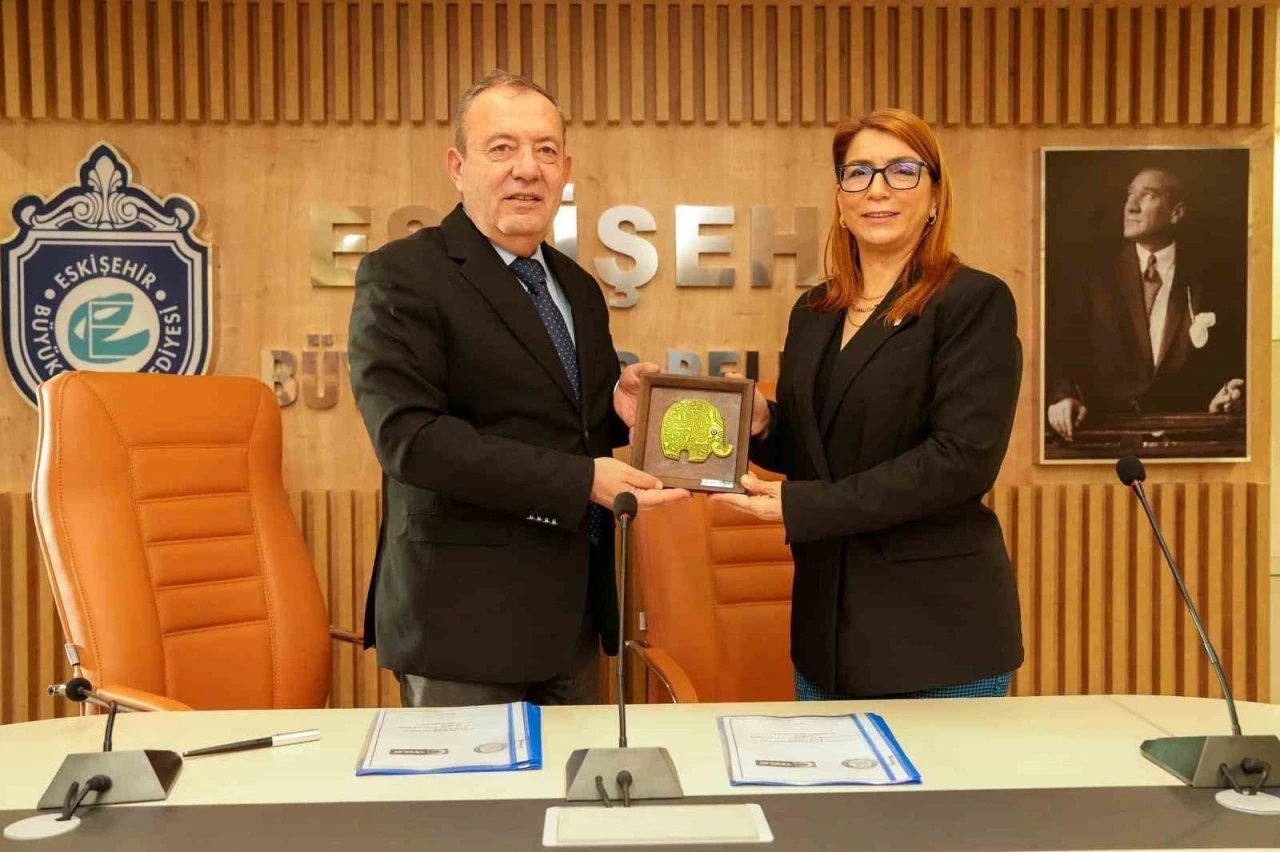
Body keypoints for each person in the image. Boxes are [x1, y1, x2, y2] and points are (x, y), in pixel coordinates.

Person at [348, 70, 686, 708]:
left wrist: (618, 413)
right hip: (460, 626)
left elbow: (560, 424)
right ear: (458, 166)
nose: (527, 168)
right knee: (471, 784)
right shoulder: (404, 274)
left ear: (565, 171)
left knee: (578, 779)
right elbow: (410, 440)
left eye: (545, 150)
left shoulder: (576, 287)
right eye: (501, 148)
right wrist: (581, 480)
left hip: (572, 621)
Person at [712, 108, 1023, 699]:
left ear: (935, 197)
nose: (877, 189)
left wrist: (806, 506)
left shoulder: (972, 301)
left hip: (938, 637)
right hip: (825, 635)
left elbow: (960, 461)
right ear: (840, 200)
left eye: (902, 170)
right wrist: (764, 426)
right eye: (858, 173)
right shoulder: (814, 310)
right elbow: (818, 447)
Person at [1046, 166, 1245, 443]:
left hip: (1188, 437)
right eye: (1130, 194)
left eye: (1147, 195)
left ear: (1176, 212)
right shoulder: (1093, 276)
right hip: (1104, 438)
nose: (1131, 206)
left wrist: (1224, 396)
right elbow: (1061, 352)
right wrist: (1062, 397)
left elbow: (1230, 361)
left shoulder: (1212, 280)